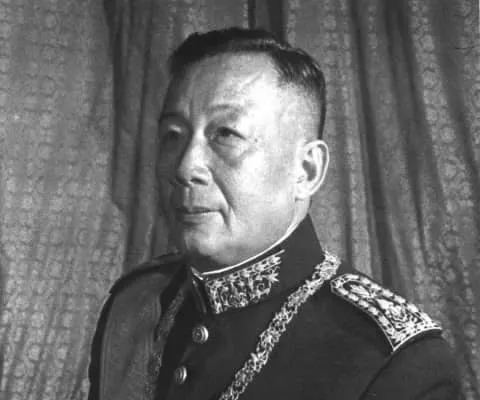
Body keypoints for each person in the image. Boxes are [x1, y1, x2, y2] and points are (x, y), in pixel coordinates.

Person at [88, 28, 461, 400]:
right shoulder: (134, 307)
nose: (185, 167)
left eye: (226, 134)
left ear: (307, 171)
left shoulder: (396, 362)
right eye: (173, 135)